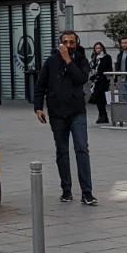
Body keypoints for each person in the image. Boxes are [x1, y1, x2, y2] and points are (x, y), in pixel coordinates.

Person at [34, 31, 96, 205]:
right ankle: (66, 190)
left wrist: (68, 60)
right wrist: (38, 108)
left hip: (77, 112)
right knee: (62, 152)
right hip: (57, 113)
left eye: (72, 42)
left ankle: (87, 192)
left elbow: (81, 79)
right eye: (65, 42)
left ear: (76, 43)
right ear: (59, 43)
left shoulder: (81, 60)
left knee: (82, 149)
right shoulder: (50, 62)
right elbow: (40, 86)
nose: (68, 45)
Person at [88, 41, 113, 124]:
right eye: (96, 48)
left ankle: (103, 116)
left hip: (103, 80)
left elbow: (108, 68)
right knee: (98, 100)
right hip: (95, 81)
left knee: (102, 99)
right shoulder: (94, 57)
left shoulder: (106, 57)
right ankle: (102, 115)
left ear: (102, 48)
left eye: (99, 48)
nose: (98, 50)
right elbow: (91, 67)